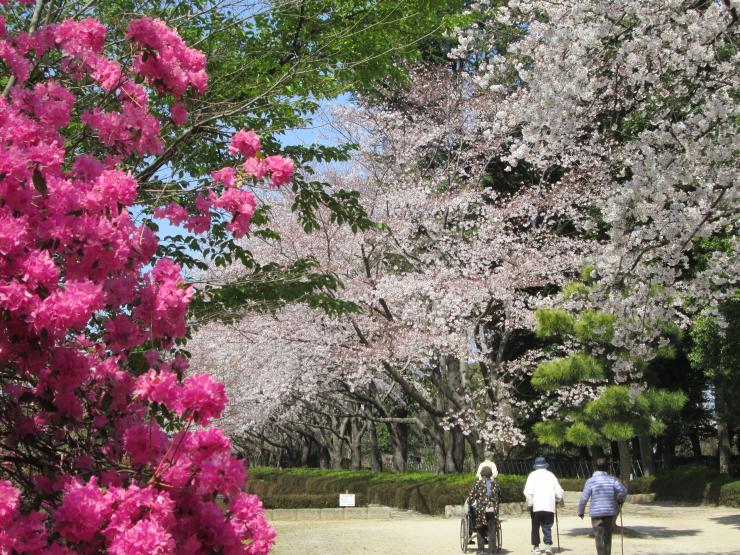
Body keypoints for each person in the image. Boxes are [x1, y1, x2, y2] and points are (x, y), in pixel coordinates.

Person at [577, 458, 628, 555]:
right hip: (609, 512)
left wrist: (581, 511)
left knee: (598, 536)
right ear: (607, 468)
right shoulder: (612, 479)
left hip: (596, 513)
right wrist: (619, 499)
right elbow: (623, 491)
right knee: (608, 536)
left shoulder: (590, 481)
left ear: (595, 467)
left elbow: (584, 498)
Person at [523, 456, 564, 554]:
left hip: (536, 506)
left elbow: (528, 492)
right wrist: (556, 500)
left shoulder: (532, 475)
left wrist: (530, 503)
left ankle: (536, 547)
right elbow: (559, 492)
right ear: (545, 465)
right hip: (549, 505)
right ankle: (548, 546)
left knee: (535, 526)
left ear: (536, 466)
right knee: (547, 526)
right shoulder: (551, 475)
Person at [468, 465, 501, 554]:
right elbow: (500, 497)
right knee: (492, 529)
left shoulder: (477, 484)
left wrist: (469, 503)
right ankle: (492, 550)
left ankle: (481, 550)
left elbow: (471, 498)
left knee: (480, 529)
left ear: (482, 474)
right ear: (491, 474)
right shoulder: (495, 484)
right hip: (492, 509)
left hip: (481, 510)